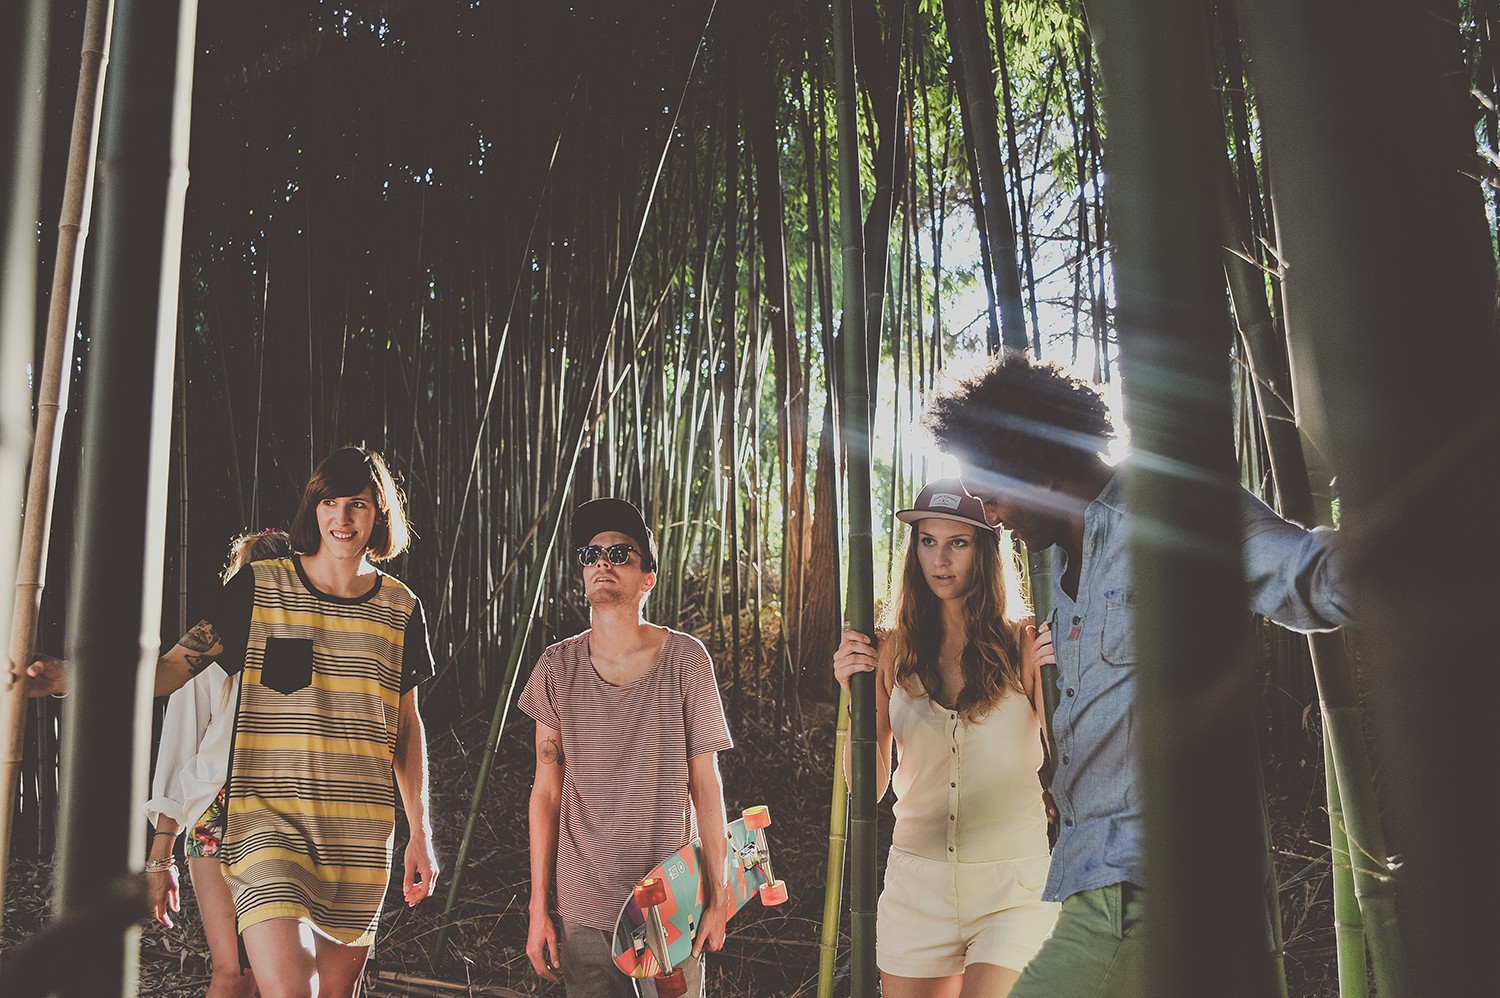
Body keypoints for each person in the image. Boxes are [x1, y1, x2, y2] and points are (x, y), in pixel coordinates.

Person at [923, 353, 1352, 998]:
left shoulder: (1172, 512)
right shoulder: (1066, 569)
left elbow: (1311, 578)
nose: (986, 513)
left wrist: (1432, 534)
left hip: (1152, 883)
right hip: (1099, 879)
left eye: (989, 491)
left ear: (1036, 464)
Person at [28, 446, 439, 998]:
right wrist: (67, 676)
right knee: (289, 989)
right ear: (313, 509)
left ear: (379, 515)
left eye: (358, 505)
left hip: (359, 835)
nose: (342, 518)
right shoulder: (259, 587)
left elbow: (406, 727)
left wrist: (421, 833)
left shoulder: (401, 608)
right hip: (268, 825)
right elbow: (170, 671)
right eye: (330, 503)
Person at [832, 480, 1059, 998]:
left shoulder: (1027, 643)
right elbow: (868, 789)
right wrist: (854, 696)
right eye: (927, 541)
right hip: (917, 884)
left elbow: (1069, 757)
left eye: (958, 542)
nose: (940, 559)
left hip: (1014, 887)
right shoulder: (890, 648)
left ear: (986, 550)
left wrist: (1068, 674)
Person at [519, 497, 734, 997]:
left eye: (619, 554)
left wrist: (718, 894)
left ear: (647, 579)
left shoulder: (686, 660)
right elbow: (545, 793)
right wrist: (538, 907)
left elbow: (706, 783)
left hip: (671, 899)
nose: (602, 562)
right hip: (583, 902)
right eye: (590, 554)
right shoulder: (556, 667)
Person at [145, 528, 292, 998]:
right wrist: (161, 857)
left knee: (269, 975)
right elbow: (180, 749)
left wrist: (161, 859)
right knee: (238, 971)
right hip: (223, 811)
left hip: (291, 809)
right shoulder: (208, 652)